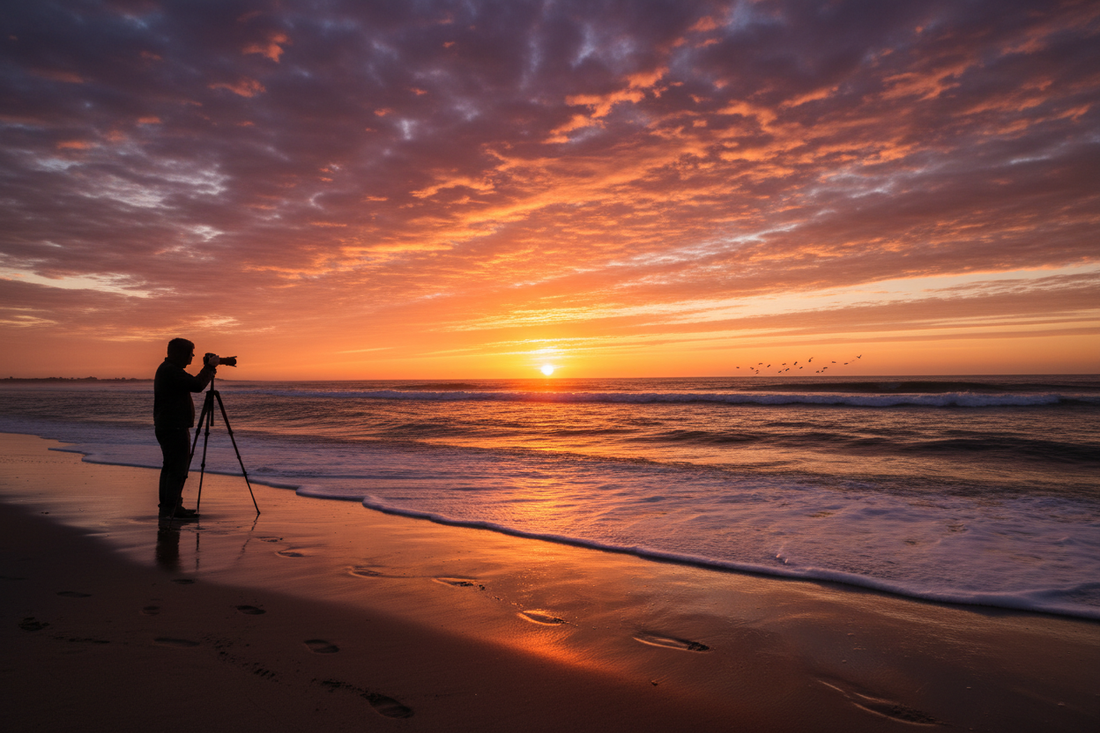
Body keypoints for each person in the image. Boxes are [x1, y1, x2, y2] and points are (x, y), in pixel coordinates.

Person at [154, 338, 218, 519]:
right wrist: (210, 368)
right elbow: (197, 385)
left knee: (170, 468)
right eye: (191, 353)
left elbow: (193, 382)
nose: (192, 357)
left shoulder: (167, 370)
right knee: (177, 470)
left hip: (167, 425)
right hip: (174, 427)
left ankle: (170, 507)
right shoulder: (171, 371)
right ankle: (172, 509)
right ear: (181, 354)